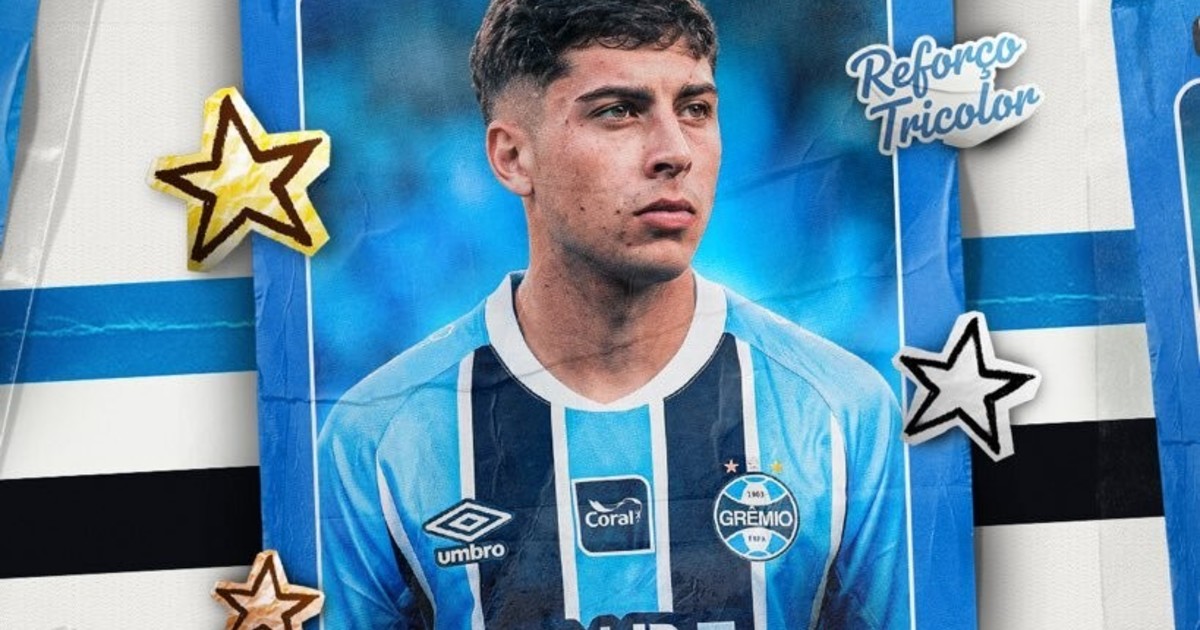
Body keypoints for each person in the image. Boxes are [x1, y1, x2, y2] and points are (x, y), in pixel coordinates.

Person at [319, 1, 910, 628]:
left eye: (695, 109)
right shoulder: (381, 437)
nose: (675, 152)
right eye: (618, 111)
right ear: (513, 157)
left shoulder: (841, 413)